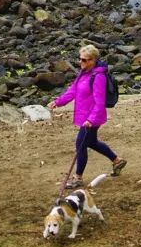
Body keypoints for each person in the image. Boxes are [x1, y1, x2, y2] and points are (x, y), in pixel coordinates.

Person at [48, 44, 127, 188]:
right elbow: (72, 91)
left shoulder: (98, 77)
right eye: (80, 59)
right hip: (84, 116)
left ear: (93, 60)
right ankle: (117, 160)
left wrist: (91, 119)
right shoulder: (83, 73)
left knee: (80, 145)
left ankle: (77, 177)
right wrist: (58, 102)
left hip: (91, 118)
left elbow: (100, 101)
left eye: (85, 60)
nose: (81, 62)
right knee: (91, 142)